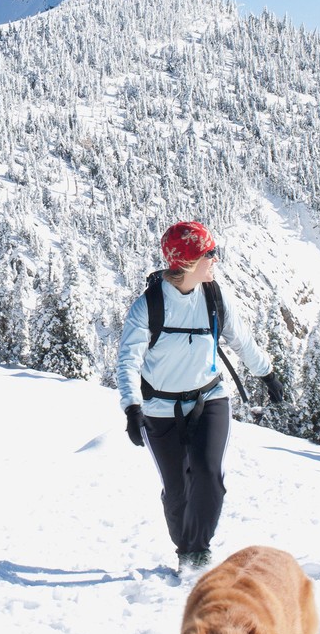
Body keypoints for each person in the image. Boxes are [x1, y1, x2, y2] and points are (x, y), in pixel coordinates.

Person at [117, 221, 283, 571]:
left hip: (210, 400)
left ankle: (197, 551)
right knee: (177, 491)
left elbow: (241, 340)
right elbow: (128, 362)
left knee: (208, 476)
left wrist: (267, 374)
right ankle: (185, 548)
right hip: (159, 409)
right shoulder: (148, 307)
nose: (216, 260)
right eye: (210, 254)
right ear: (190, 261)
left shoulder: (215, 296)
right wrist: (132, 409)